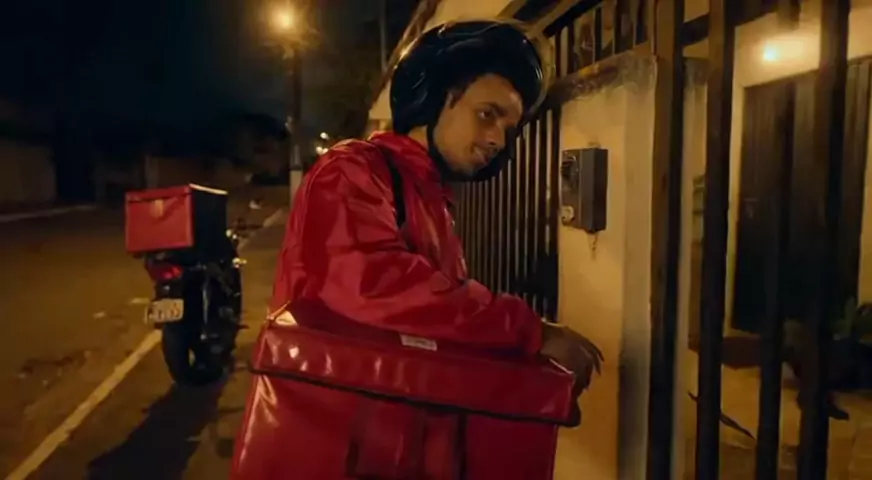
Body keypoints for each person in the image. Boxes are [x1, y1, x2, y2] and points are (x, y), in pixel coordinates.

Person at [270, 19, 603, 397]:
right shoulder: (352, 170)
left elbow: (432, 333)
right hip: (330, 424)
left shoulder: (431, 200)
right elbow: (372, 284)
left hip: (381, 423)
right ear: (433, 100)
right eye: (487, 114)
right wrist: (529, 331)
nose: (498, 140)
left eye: (508, 129)